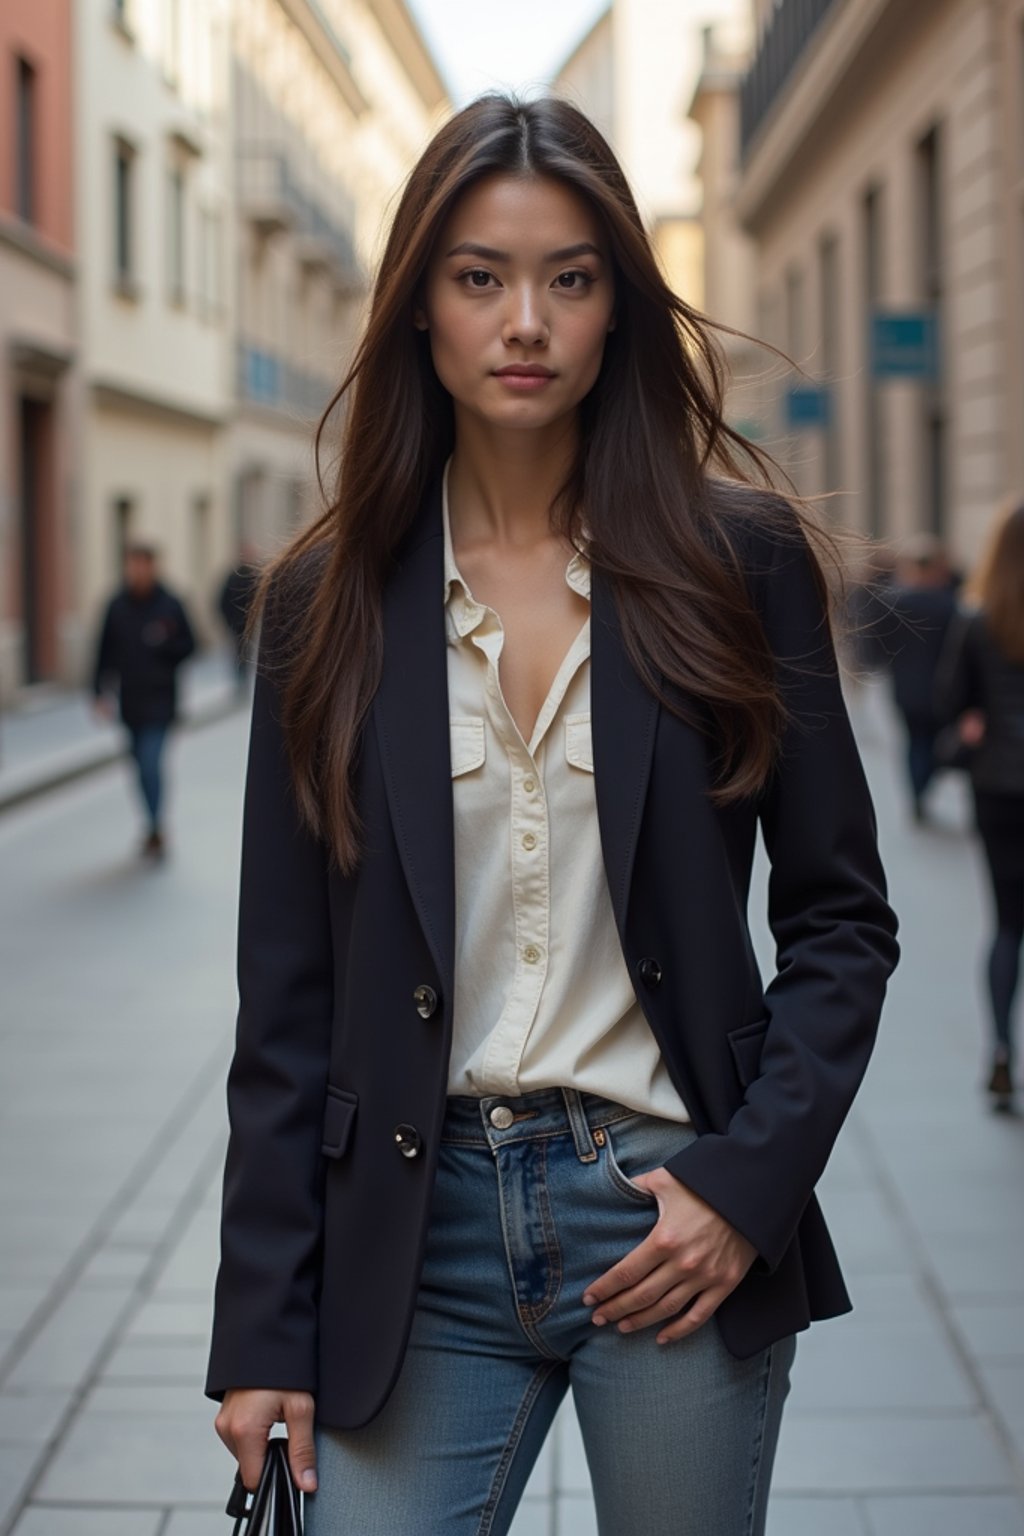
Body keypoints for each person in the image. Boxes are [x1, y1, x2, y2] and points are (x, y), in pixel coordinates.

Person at [206, 94, 899, 1535]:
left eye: (570, 278)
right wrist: (263, 1331)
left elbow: (841, 922)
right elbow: (284, 1002)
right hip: (415, 1229)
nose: (525, 319)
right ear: (419, 309)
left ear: (617, 311)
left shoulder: (739, 563)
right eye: (480, 277)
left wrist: (745, 1185)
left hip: (668, 1214)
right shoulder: (318, 606)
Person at [936, 500, 1024, 1111]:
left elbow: (950, 699)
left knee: (1007, 925)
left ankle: (999, 1050)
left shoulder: (978, 618)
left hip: (997, 785)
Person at [92, 543, 196, 858]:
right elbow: (103, 652)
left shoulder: (170, 604)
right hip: (131, 702)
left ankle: (155, 826)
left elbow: (190, 645)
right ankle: (151, 822)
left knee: (151, 763)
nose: (138, 571)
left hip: (162, 701)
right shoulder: (116, 606)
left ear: (153, 566)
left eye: (143, 564)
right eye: (133, 564)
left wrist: (164, 645)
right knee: (139, 766)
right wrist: (98, 692)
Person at [879, 537, 958, 823]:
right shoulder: (951, 605)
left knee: (913, 742)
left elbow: (881, 646)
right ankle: (922, 787)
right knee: (934, 743)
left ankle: (916, 792)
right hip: (942, 688)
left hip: (906, 686)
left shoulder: (895, 602)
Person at [217, 550, 261, 695]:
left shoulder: (253, 576)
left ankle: (242, 679)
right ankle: (240, 679)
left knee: (244, 651)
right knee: (239, 651)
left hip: (246, 622)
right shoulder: (233, 578)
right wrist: (229, 619)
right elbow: (222, 601)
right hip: (238, 622)